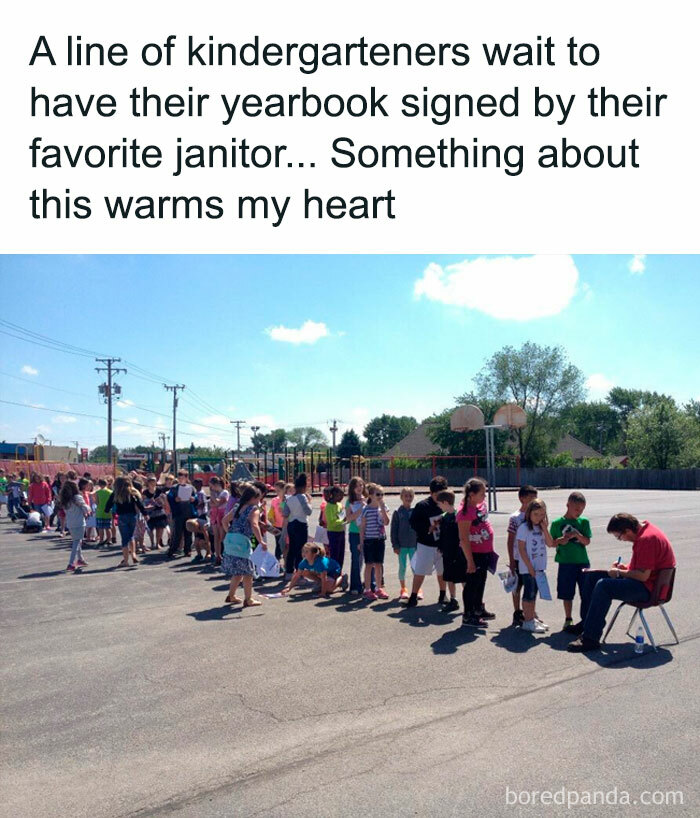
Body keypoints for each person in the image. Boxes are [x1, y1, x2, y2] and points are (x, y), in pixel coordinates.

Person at [568, 513, 677, 653]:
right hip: (646, 583)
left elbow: (643, 576)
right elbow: (641, 567)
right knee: (592, 576)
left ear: (627, 531)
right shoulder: (644, 531)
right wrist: (623, 568)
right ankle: (587, 623)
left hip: (648, 589)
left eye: (619, 537)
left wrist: (619, 573)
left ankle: (590, 638)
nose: (621, 540)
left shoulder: (647, 539)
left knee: (604, 586)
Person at [457, 477, 496, 627]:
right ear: (471, 495)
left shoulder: (479, 506)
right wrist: (470, 561)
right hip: (474, 554)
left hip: (484, 552)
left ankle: (478, 608)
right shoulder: (465, 513)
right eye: (482, 494)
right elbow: (464, 538)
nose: (485, 496)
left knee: (480, 582)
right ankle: (468, 615)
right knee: (471, 585)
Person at [550, 491, 592, 631]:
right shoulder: (557, 523)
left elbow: (586, 542)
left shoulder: (584, 522)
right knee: (566, 592)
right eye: (576, 509)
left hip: (582, 562)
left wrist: (577, 535)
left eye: (581, 510)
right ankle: (568, 618)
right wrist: (561, 540)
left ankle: (585, 620)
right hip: (566, 562)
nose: (579, 512)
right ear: (568, 505)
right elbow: (551, 543)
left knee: (586, 592)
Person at [406, 476, 449, 608]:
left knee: (442, 571)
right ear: (431, 493)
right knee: (420, 571)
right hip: (426, 544)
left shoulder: (446, 504)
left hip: (441, 545)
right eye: (437, 495)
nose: (440, 497)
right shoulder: (422, 506)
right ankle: (413, 596)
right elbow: (413, 523)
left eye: (442, 494)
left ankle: (443, 594)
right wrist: (426, 528)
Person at [220, 485, 264, 607]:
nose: (259, 501)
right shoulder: (254, 509)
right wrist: (261, 541)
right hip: (243, 542)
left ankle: (231, 595)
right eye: (258, 498)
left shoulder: (237, 507)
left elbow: (224, 521)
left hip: (231, 540)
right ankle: (248, 599)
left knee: (238, 571)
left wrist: (229, 532)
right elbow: (255, 525)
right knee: (248, 573)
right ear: (253, 498)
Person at [516, 499, 554, 633]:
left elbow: (550, 543)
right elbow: (521, 549)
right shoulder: (524, 528)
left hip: (539, 567)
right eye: (536, 514)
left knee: (534, 593)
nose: (539, 517)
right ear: (529, 513)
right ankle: (528, 621)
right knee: (529, 594)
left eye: (542, 514)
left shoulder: (541, 527)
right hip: (528, 568)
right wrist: (529, 567)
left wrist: (545, 528)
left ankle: (532, 618)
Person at [105, 476, 147, 568]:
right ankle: (134, 554)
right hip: (132, 516)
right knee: (131, 536)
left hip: (122, 517)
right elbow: (139, 504)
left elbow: (109, 504)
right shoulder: (132, 493)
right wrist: (145, 514)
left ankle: (126, 560)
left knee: (124, 539)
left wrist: (106, 510)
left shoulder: (116, 493)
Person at [359, 483, 390, 601]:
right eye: (378, 494)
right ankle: (367, 589)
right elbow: (362, 527)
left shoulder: (383, 508)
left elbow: (386, 522)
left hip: (380, 539)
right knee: (369, 565)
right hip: (369, 540)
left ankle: (378, 587)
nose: (380, 497)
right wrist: (361, 542)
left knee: (378, 564)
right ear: (371, 495)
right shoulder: (366, 510)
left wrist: (382, 508)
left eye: (382, 494)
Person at [435, 490, 465, 612]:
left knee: (463, 577)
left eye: (440, 504)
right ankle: (453, 599)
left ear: (446, 502)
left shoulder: (459, 516)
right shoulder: (444, 517)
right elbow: (442, 534)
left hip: (458, 552)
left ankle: (469, 599)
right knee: (449, 577)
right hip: (447, 552)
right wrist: (440, 547)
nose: (439, 507)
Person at [281, 542, 347, 597]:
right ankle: (320, 584)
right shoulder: (304, 562)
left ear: (314, 554)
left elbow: (324, 578)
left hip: (334, 572)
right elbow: (296, 576)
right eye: (303, 551)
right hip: (323, 573)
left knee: (329, 590)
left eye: (307, 552)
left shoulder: (320, 563)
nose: (303, 554)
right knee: (303, 572)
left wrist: (323, 593)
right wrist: (289, 588)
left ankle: (342, 578)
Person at [282, 473, 312, 577]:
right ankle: (299, 573)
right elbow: (308, 511)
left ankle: (289, 571)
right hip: (301, 524)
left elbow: (285, 513)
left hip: (291, 524)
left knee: (292, 548)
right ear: (304, 487)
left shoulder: (289, 498)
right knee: (301, 549)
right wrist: (309, 502)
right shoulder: (302, 497)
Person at [391, 487, 418, 600]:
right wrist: (395, 545)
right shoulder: (397, 513)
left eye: (410, 496)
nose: (408, 498)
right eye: (406, 496)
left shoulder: (415, 511)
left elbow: (419, 529)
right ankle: (403, 588)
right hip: (401, 546)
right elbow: (393, 530)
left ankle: (417, 589)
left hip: (413, 546)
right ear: (401, 497)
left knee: (415, 568)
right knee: (402, 567)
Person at [60, 479, 90, 572]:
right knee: (76, 542)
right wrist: (88, 511)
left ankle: (80, 559)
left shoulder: (65, 500)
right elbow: (85, 507)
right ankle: (71, 563)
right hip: (79, 522)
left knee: (77, 540)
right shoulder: (77, 497)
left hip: (70, 523)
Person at [345, 476, 367, 594]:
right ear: (352, 488)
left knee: (366, 559)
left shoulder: (367, 499)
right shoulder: (349, 502)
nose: (359, 488)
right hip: (354, 533)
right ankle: (355, 586)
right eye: (357, 486)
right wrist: (360, 509)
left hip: (367, 533)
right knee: (356, 559)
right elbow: (348, 519)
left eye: (361, 485)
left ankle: (368, 584)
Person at [167, 470, 196, 559]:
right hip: (178, 513)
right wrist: (175, 499)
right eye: (179, 478)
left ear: (186, 478)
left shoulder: (191, 488)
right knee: (177, 533)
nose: (180, 480)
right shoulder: (174, 488)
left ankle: (187, 550)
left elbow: (196, 497)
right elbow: (169, 497)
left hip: (188, 513)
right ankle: (173, 549)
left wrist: (193, 499)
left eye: (182, 478)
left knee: (188, 533)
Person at [142, 477, 169, 550]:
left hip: (159, 512)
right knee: (150, 529)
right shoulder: (145, 492)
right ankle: (152, 543)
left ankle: (157, 543)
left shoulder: (159, 490)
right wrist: (149, 503)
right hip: (150, 513)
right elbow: (142, 502)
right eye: (151, 482)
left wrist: (161, 501)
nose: (153, 484)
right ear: (148, 483)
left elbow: (164, 500)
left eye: (154, 482)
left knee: (160, 528)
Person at [324, 485, 347, 570]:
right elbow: (332, 522)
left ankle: (339, 571)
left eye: (342, 496)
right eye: (339, 495)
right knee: (334, 554)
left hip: (341, 531)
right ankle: (333, 572)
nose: (341, 498)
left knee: (341, 554)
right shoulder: (329, 506)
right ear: (333, 495)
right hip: (333, 532)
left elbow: (342, 516)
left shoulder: (339, 505)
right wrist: (343, 520)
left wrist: (344, 519)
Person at [208, 476, 229, 566]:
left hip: (222, 514)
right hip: (215, 514)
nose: (211, 488)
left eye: (211, 486)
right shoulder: (215, 493)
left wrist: (213, 498)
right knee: (216, 536)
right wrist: (214, 501)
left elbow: (217, 503)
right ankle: (218, 555)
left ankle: (226, 555)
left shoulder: (224, 492)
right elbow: (212, 504)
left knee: (222, 537)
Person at [94, 478, 113, 547]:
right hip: (108, 512)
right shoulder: (110, 492)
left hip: (100, 512)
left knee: (100, 528)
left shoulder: (98, 492)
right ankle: (109, 540)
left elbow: (97, 502)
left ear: (99, 484)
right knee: (108, 527)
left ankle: (101, 540)